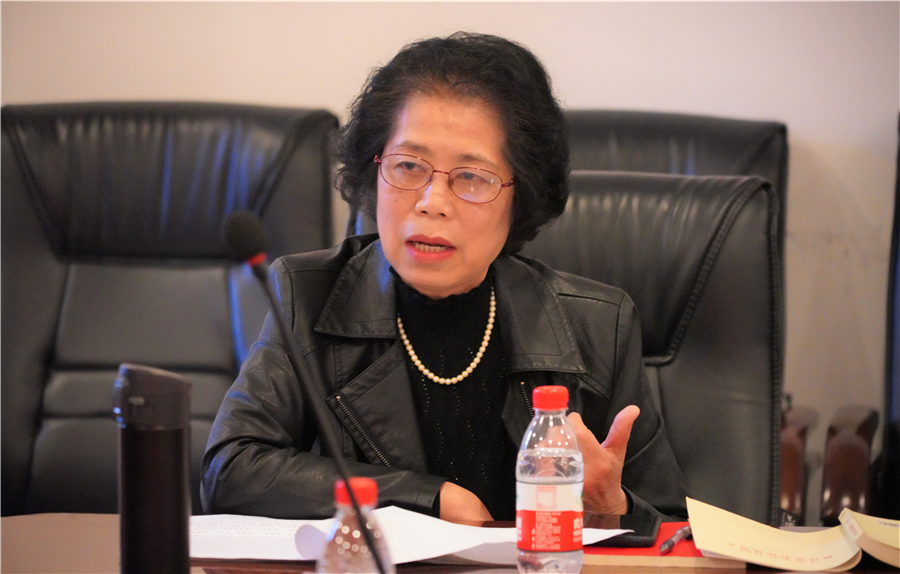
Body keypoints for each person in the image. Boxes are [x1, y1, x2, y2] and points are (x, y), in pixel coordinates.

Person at [201, 32, 688, 523]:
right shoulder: (308, 296)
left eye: (471, 177)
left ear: (521, 198)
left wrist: (612, 507)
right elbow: (231, 470)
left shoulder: (598, 327)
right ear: (374, 170)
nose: (431, 202)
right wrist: (426, 498)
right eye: (409, 166)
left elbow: (670, 527)